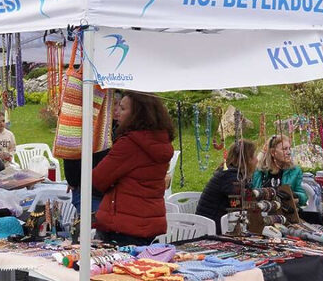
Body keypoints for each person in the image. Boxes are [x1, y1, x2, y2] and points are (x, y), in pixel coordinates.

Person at [91, 92, 176, 246]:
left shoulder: (130, 144)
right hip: (148, 221)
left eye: (122, 108)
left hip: (123, 226)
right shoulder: (161, 140)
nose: (117, 112)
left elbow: (98, 179)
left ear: (137, 114)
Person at [196, 140, 258, 233]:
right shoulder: (230, 177)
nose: (257, 160)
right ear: (246, 159)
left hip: (212, 223)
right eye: (254, 156)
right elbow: (243, 203)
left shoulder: (230, 172)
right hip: (210, 228)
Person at [251, 134, 308, 205]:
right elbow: (252, 193)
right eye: (284, 149)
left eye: (289, 148)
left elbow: (303, 196)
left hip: (287, 212)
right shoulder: (259, 171)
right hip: (262, 210)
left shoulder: (295, 170)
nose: (289, 152)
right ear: (272, 152)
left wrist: (294, 196)